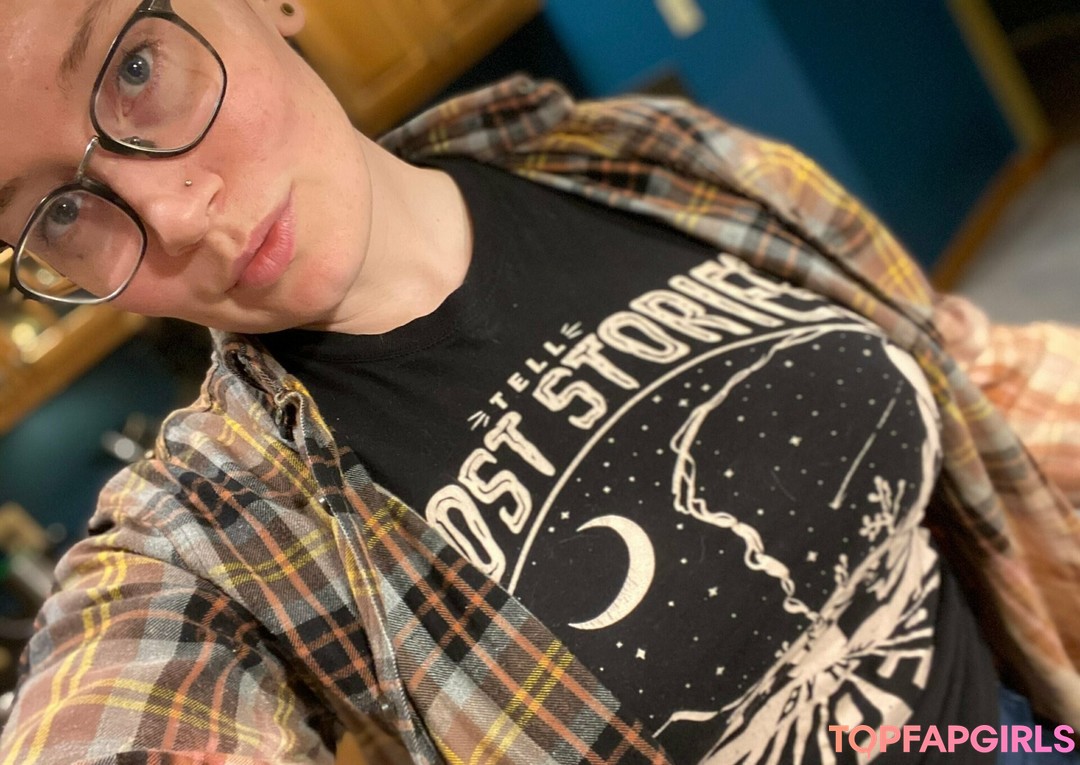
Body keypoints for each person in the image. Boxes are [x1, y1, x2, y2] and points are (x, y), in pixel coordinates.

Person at [1, 0, 1078, 762]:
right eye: (58, 212)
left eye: (134, 69)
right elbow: (117, 706)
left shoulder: (651, 162)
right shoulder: (209, 533)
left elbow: (958, 369)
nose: (173, 214)